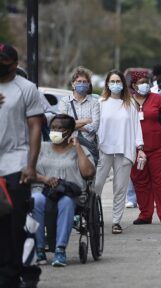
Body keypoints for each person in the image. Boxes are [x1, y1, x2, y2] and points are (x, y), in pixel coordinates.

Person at [0, 43, 43, 288]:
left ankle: (24, 271)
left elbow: (35, 127)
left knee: (17, 223)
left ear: (14, 63)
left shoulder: (26, 88)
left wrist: (31, 164)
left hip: (16, 164)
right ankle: (6, 274)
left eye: (3, 60)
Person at [31, 114, 95, 267]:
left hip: (69, 193)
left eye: (60, 128)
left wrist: (78, 147)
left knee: (65, 202)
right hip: (42, 189)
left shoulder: (80, 149)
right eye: (53, 128)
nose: (55, 131)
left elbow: (88, 173)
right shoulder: (41, 147)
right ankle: (39, 248)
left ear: (70, 131)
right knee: (36, 200)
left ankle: (60, 250)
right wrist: (44, 179)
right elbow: (28, 171)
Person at [95, 70, 145, 234]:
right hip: (104, 149)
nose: (115, 84)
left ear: (123, 83)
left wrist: (140, 148)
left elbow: (137, 127)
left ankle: (116, 221)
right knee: (96, 186)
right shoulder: (100, 103)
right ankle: (93, 217)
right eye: (112, 81)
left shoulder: (130, 104)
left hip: (124, 150)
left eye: (118, 81)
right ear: (107, 84)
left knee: (120, 188)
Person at [129, 77, 161, 225]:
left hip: (158, 149)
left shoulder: (157, 99)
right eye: (141, 82)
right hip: (136, 150)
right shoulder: (128, 101)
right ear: (134, 85)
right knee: (140, 182)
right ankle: (145, 214)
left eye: (146, 82)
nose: (144, 85)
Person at [58, 66, 100, 163]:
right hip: (69, 146)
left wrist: (71, 125)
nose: (82, 84)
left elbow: (94, 127)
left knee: (89, 175)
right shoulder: (65, 101)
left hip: (88, 148)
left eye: (84, 82)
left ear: (88, 85)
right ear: (73, 84)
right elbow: (62, 125)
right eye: (79, 81)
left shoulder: (94, 103)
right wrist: (85, 121)